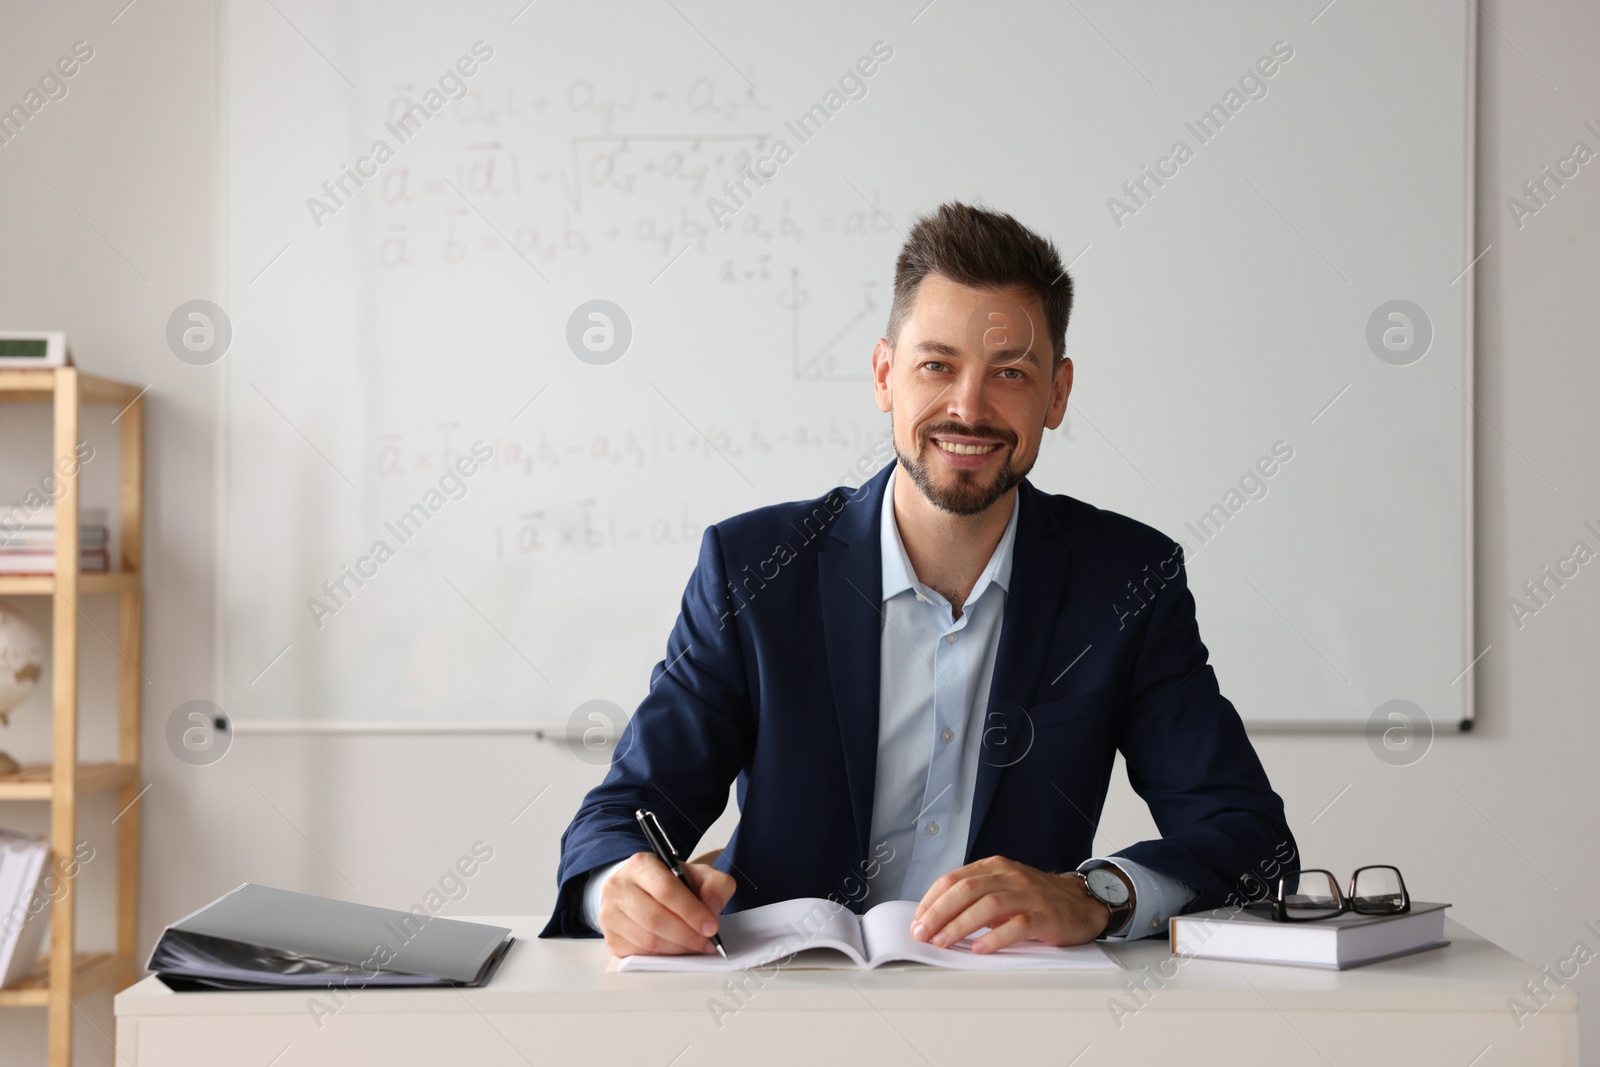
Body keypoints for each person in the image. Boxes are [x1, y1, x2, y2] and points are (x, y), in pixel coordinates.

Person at [541, 201, 1295, 957]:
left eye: (1010, 373)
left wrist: (1092, 893)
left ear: (1057, 395)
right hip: (779, 1009)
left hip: (1011, 1013)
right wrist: (618, 891)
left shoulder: (1126, 582)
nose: (969, 407)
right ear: (884, 376)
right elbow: (622, 814)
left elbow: (1250, 840)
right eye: (937, 365)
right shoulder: (754, 569)